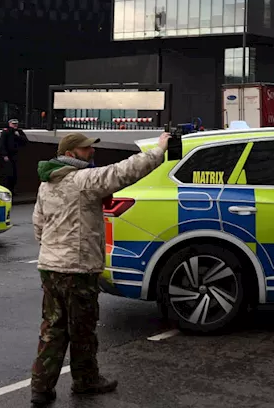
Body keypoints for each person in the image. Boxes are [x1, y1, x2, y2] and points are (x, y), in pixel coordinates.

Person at [29, 132, 171, 405]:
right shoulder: (83, 180)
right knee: (82, 329)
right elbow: (124, 172)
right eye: (85, 149)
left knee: (52, 328)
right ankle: (86, 381)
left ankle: (41, 388)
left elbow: (39, 225)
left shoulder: (46, 185)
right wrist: (158, 149)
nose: (91, 153)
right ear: (70, 154)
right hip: (77, 268)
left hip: (51, 267)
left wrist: (53, 250)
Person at [0, 119, 28, 192]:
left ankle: (12, 189)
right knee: (8, 173)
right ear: (9, 124)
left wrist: (18, 136)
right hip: (8, 155)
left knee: (14, 174)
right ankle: (7, 189)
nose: (15, 125)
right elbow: (2, 144)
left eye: (16, 124)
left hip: (15, 155)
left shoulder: (19, 132)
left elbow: (25, 141)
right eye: (13, 124)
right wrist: (4, 155)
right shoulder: (6, 131)